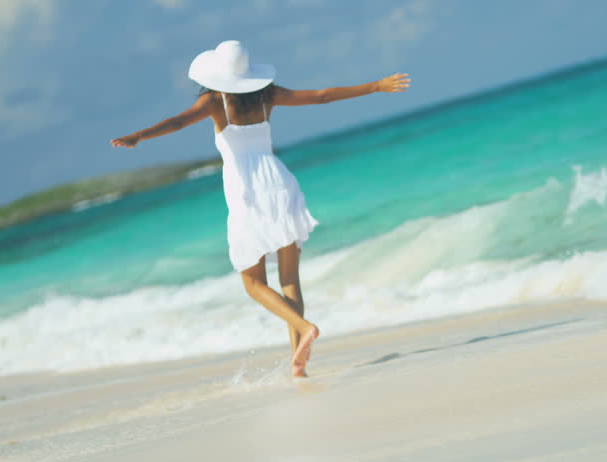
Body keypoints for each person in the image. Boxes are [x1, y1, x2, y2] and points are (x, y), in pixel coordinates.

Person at [111, 40, 411, 377]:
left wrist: (139, 135)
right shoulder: (266, 94)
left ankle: (305, 328)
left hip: (248, 192)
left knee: (253, 283)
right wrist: (376, 86)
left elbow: (178, 123)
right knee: (289, 280)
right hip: (280, 182)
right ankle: (298, 363)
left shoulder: (213, 100)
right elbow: (322, 96)